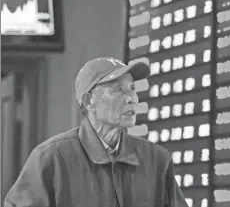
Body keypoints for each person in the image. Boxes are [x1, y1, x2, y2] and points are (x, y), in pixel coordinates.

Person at [4, 57, 189, 207]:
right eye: (118, 90)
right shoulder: (51, 157)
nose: (131, 98)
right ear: (88, 100)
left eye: (132, 88)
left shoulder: (157, 160)